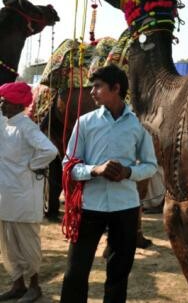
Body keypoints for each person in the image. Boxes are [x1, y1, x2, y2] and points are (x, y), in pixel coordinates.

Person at [59, 65, 157, 303]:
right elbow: (68, 165)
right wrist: (95, 170)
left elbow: (151, 165)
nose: (92, 92)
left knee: (118, 275)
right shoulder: (85, 122)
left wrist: (128, 172)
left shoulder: (137, 126)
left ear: (116, 88)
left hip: (126, 208)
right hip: (89, 206)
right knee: (75, 273)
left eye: (98, 86)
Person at [0, 82, 58, 303]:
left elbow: (50, 150)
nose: (1, 104)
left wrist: (33, 165)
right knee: (7, 242)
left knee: (27, 243)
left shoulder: (26, 126)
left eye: (5, 101)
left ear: (16, 104)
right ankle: (18, 285)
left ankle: (34, 286)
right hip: (5, 195)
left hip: (24, 196)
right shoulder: (4, 124)